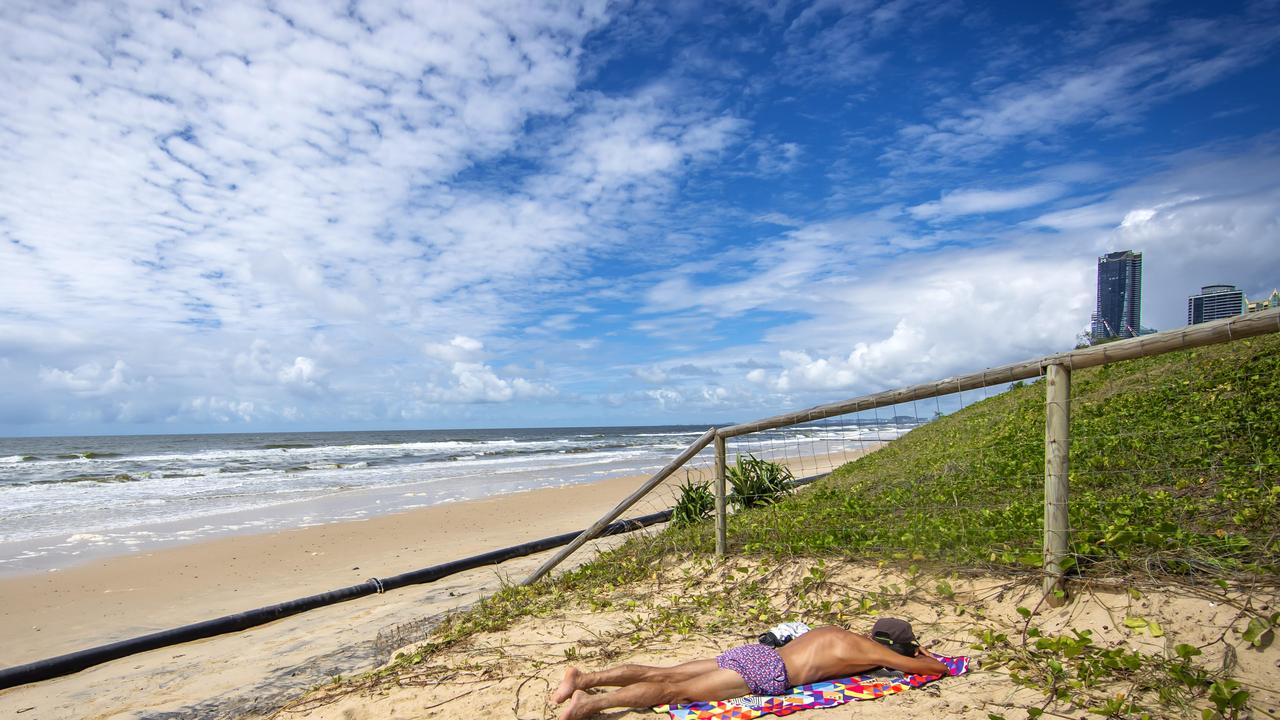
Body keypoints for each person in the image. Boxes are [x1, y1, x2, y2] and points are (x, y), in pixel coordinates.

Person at [550, 618, 949, 720]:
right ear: (890, 645)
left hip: (752, 654)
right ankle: (588, 707)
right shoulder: (869, 651)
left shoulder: (835, 632)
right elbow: (930, 669)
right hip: (769, 672)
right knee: (675, 692)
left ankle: (584, 680)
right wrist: (919, 654)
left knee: (665, 671)